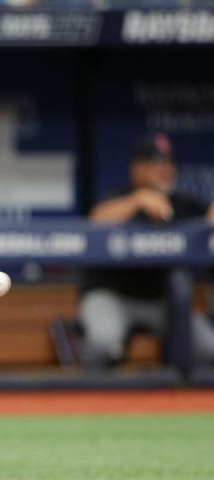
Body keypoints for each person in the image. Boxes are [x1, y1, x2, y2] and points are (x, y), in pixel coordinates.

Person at [79, 132, 214, 369]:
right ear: (136, 168)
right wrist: (138, 200)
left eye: (169, 162)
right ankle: (88, 403)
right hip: (112, 295)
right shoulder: (121, 197)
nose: (164, 168)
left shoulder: (183, 203)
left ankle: (175, 402)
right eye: (155, 162)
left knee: (207, 350)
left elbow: (209, 220)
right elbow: (95, 222)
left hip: (161, 301)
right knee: (103, 344)